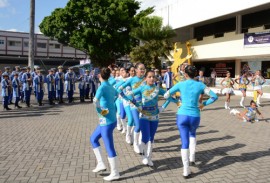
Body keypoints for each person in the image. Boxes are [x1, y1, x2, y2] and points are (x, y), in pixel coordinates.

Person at [164, 65, 218, 178]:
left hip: (182, 115)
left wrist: (176, 102)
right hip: (195, 115)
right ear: (196, 74)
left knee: (184, 143)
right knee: (192, 134)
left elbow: (166, 95)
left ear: (185, 74)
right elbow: (214, 96)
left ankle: (186, 170)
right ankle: (192, 157)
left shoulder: (180, 84)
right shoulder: (200, 85)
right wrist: (203, 105)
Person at [120, 70, 171, 166]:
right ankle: (144, 156)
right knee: (145, 137)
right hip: (144, 116)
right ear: (146, 78)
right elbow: (129, 95)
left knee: (151, 138)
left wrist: (163, 107)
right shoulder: (142, 88)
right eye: (149, 77)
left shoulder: (158, 89)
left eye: (153, 77)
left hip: (155, 117)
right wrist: (135, 103)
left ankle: (149, 157)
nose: (152, 79)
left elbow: (169, 96)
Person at [90, 67, 120, 181]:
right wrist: (109, 107)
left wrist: (100, 111)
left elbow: (95, 101)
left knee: (109, 146)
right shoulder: (110, 86)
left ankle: (115, 173)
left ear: (98, 76)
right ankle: (101, 164)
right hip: (110, 119)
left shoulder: (102, 87)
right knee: (93, 138)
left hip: (106, 121)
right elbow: (116, 95)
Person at [117, 63, 146, 154]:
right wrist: (128, 99)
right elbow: (119, 90)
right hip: (134, 105)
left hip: (144, 106)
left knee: (142, 126)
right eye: (140, 69)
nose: (142, 70)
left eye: (143, 69)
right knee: (137, 124)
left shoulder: (146, 79)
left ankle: (140, 143)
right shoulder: (131, 80)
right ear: (136, 70)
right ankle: (135, 144)